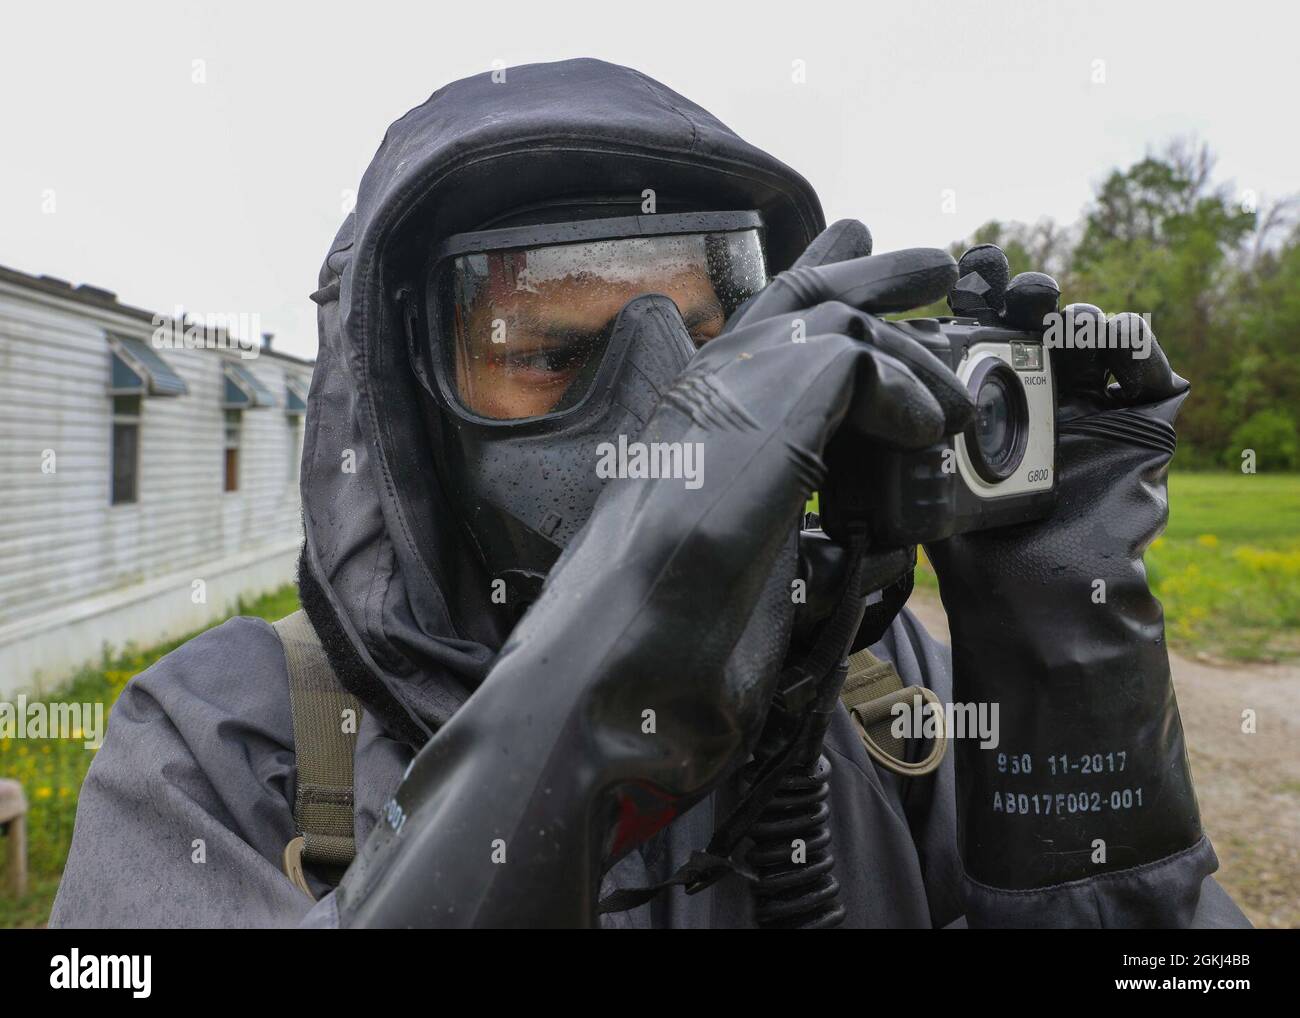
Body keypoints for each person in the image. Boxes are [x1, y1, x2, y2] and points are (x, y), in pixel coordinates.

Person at [50, 58, 1248, 929]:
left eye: (711, 340)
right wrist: (578, 714)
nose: (658, 417)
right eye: (554, 357)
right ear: (411, 407)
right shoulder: (218, 745)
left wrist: (1068, 685)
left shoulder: (883, 696)